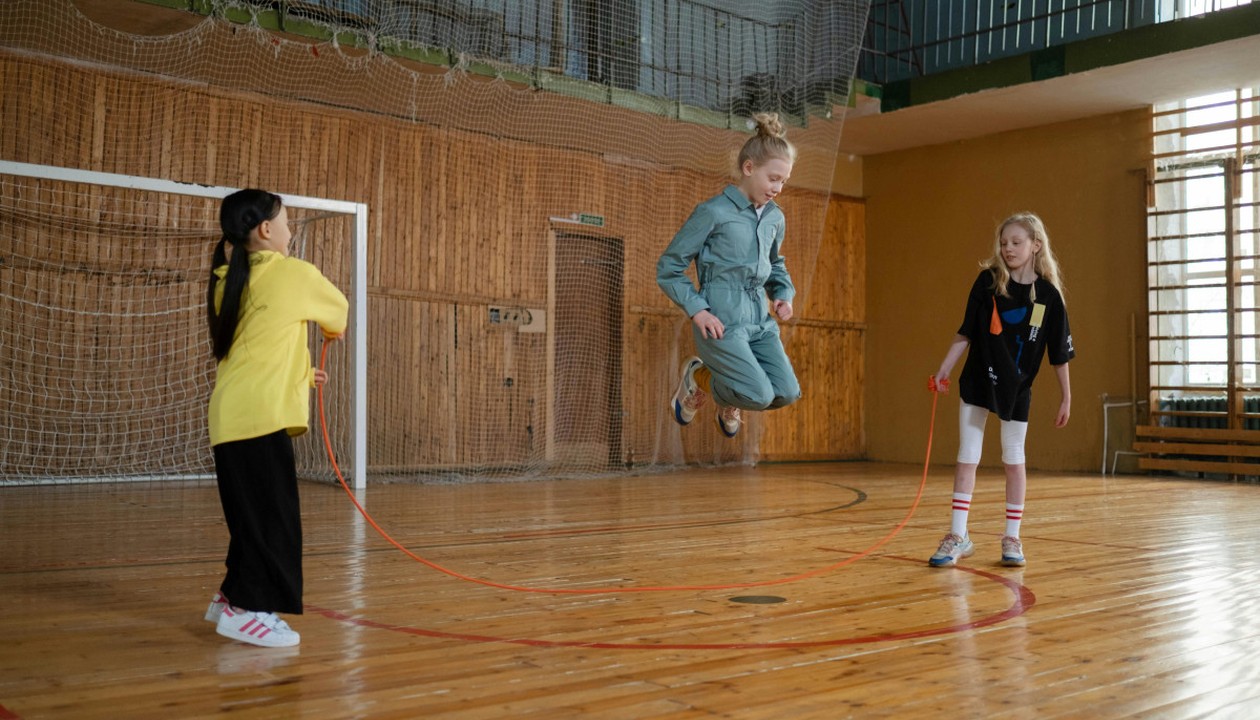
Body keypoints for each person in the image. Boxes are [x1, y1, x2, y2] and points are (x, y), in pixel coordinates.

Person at [202, 189, 349, 647]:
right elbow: (339, 314)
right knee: (274, 523)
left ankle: (230, 598)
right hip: (260, 418)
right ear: (266, 230)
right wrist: (328, 329)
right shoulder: (293, 273)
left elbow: (259, 345)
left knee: (252, 518)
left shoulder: (227, 281)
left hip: (230, 417)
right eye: (287, 221)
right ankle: (248, 611)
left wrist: (301, 371)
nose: (290, 230)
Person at [927, 211, 1074, 568]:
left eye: (1016, 242)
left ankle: (1012, 537)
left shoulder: (1049, 298)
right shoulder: (987, 283)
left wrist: (1066, 396)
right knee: (967, 456)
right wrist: (945, 367)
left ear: (1035, 245)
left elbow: (1059, 354)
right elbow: (966, 331)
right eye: (1004, 242)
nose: (1008, 248)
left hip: (1017, 388)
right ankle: (958, 536)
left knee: (1013, 460)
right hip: (978, 380)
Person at [656, 112, 801, 439]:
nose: (778, 188)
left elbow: (775, 265)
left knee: (786, 393)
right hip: (721, 323)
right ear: (749, 168)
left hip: (760, 322)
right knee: (758, 395)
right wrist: (698, 310)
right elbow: (669, 268)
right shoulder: (712, 212)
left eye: (784, 181)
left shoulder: (775, 218)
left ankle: (730, 391)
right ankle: (700, 378)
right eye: (773, 179)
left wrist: (782, 295)